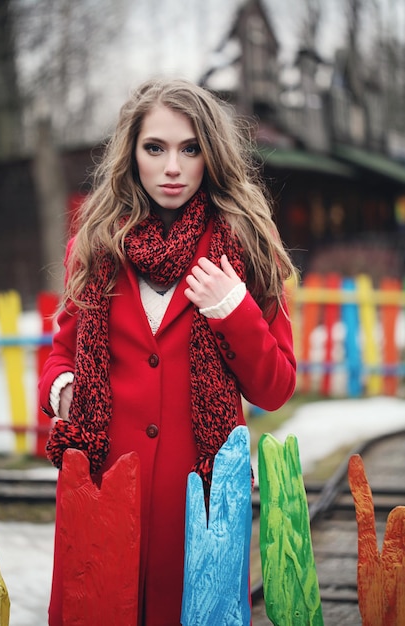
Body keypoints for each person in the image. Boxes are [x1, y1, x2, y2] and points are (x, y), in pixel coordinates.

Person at [39, 77, 297, 626]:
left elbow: (275, 388)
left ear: (211, 154)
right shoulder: (95, 246)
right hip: (105, 495)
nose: (172, 167)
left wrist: (234, 309)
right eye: (155, 148)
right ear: (132, 154)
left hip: (198, 514)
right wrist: (64, 390)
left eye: (190, 149)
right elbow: (61, 355)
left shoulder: (247, 246)